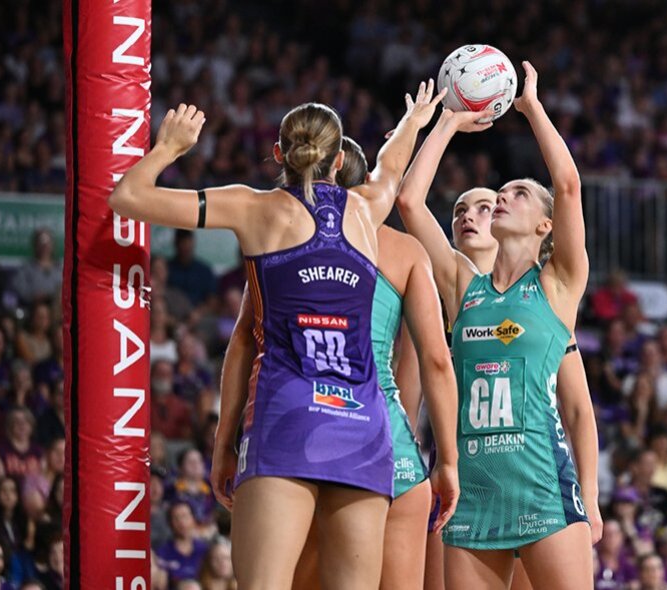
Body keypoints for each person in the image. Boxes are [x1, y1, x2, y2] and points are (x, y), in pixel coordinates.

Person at [110, 82, 443, 589]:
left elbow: (128, 198)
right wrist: (414, 122)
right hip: (363, 430)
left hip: (287, 423)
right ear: (337, 165)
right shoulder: (365, 210)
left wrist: (169, 147)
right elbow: (390, 168)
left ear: (277, 155)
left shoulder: (252, 208)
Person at [213, 136, 460, 590]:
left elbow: (244, 343)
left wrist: (225, 440)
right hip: (385, 442)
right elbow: (432, 362)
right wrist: (447, 458)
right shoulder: (404, 251)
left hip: (299, 436)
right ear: (367, 188)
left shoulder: (281, 243)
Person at [396, 60, 597, 589]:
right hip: (473, 494)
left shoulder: (558, 285)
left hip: (542, 490)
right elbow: (409, 203)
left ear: (545, 224)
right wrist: (445, 124)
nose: (502, 198)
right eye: (499, 194)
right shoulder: (465, 288)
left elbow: (570, 184)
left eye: (518, 194)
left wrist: (532, 108)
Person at [9, 229, 62, 306]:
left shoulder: (60, 269)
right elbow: (19, 288)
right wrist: (33, 296)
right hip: (33, 308)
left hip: (56, 310)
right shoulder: (26, 269)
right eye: (41, 243)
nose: (45, 246)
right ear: (35, 245)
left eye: (48, 243)